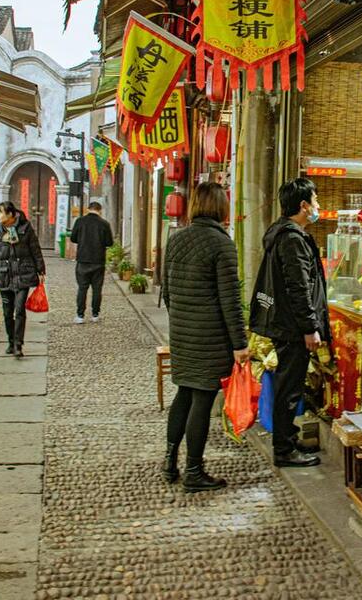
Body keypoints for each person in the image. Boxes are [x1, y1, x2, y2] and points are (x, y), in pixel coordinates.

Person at [160, 182, 249, 492]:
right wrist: (240, 344)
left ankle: (170, 462)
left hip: (183, 334)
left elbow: (166, 293)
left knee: (184, 393)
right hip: (211, 337)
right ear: (221, 207)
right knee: (202, 398)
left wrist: (183, 321)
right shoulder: (221, 244)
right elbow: (230, 301)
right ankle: (194, 471)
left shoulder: (176, 239)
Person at [250, 178, 328, 468]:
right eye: (315, 200)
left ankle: (288, 439)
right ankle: (284, 450)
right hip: (293, 326)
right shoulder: (293, 238)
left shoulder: (280, 233)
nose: (318, 206)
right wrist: (310, 326)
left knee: (288, 385)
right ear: (304, 205)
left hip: (284, 323)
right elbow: (299, 287)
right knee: (289, 388)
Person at [0, 202, 46, 358]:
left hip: (23, 274)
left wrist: (41, 270)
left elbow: (35, 249)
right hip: (4, 275)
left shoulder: (25, 229)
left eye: (1, 213)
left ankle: (19, 344)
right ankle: (11, 341)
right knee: (7, 313)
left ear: (11, 214)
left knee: (19, 310)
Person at [70, 201, 114, 323]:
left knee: (82, 288)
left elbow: (73, 238)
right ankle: (95, 314)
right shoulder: (104, 224)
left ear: (88, 209)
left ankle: (80, 315)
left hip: (83, 260)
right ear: (99, 210)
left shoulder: (80, 221)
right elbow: (109, 242)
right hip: (98, 260)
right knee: (97, 289)